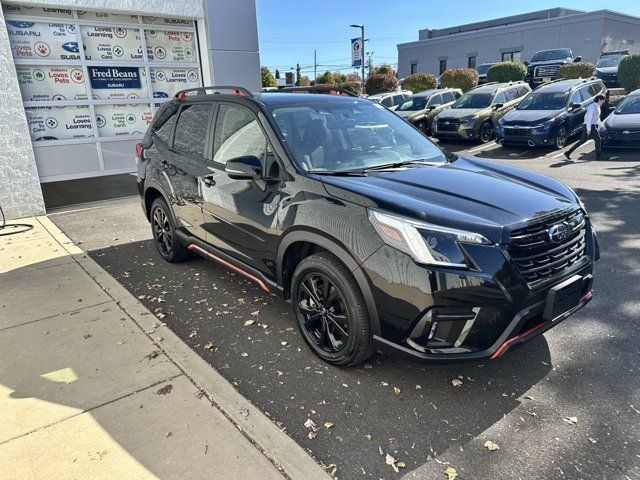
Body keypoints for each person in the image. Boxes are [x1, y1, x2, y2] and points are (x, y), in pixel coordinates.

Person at [564, 94, 606, 160]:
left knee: (582, 140)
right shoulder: (592, 107)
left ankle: (568, 152)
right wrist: (588, 129)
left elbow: (597, 118)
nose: (604, 101)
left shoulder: (597, 106)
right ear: (599, 100)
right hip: (589, 125)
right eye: (603, 100)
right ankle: (598, 156)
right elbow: (588, 119)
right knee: (598, 139)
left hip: (590, 125)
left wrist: (601, 125)